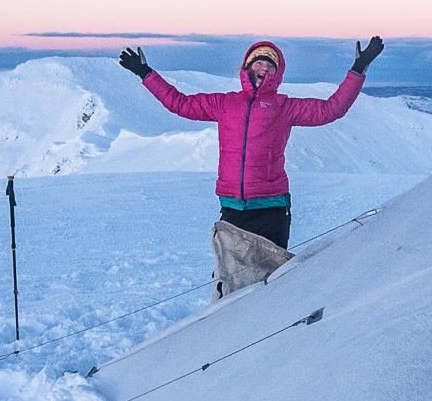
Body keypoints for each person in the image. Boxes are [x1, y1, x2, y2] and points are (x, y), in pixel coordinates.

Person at [118, 37, 383, 249]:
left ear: (277, 74)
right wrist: (145, 72)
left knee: (271, 282)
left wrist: (358, 70)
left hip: (272, 207)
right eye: (259, 63)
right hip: (232, 208)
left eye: (270, 65)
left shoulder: (285, 107)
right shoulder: (225, 103)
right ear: (247, 67)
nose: (263, 68)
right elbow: (180, 103)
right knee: (230, 282)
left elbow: (330, 109)